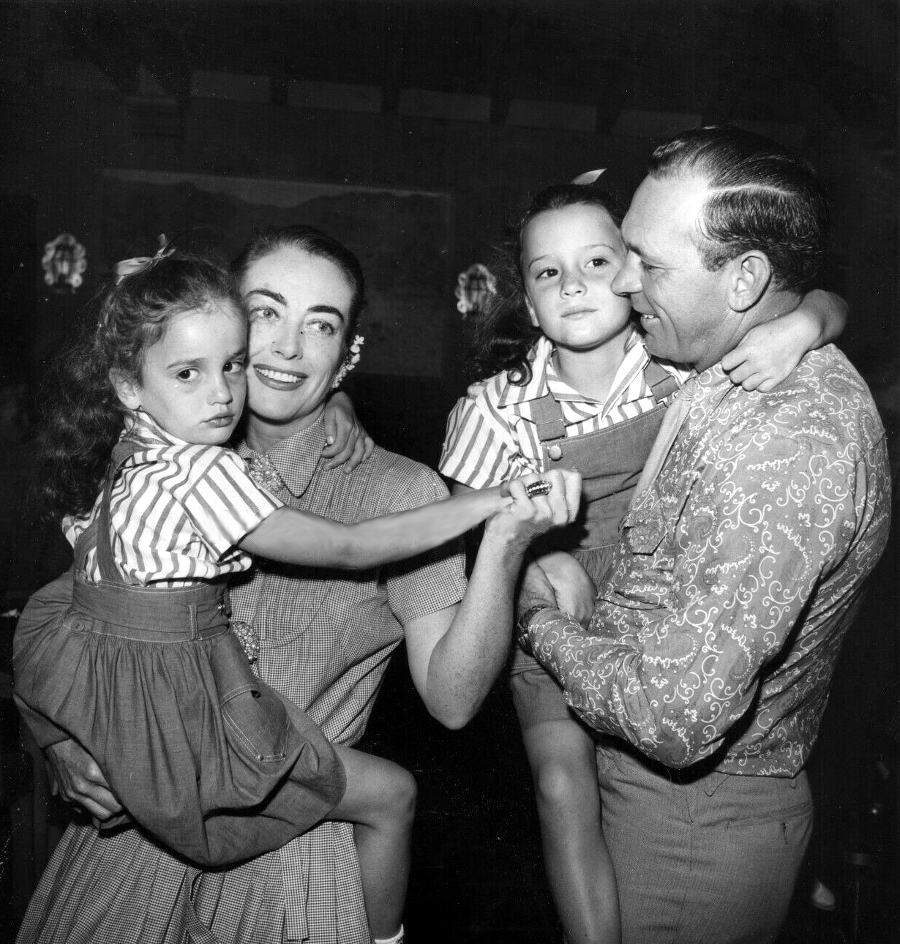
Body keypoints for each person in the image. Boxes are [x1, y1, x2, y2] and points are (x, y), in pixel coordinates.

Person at [15, 225, 580, 944]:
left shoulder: (402, 492)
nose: (287, 347)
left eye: (321, 325)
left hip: (298, 848)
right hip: (135, 839)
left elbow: (455, 699)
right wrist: (62, 741)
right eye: (267, 314)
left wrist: (501, 546)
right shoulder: (163, 454)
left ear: (349, 356)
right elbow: (63, 625)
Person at [439, 177, 847, 944]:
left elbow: (822, 301)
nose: (575, 286)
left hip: (662, 606)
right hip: (551, 614)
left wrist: (801, 329)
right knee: (564, 786)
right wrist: (531, 563)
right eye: (548, 273)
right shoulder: (493, 409)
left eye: (597, 261)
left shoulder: (679, 362)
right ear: (527, 303)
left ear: (633, 276)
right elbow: (478, 535)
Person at [514, 126, 892, 944]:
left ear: (745, 278)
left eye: (647, 263)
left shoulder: (788, 445)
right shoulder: (741, 348)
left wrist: (539, 622)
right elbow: (821, 300)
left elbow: (675, 719)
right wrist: (811, 318)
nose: (620, 281)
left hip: (687, 828)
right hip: (663, 803)